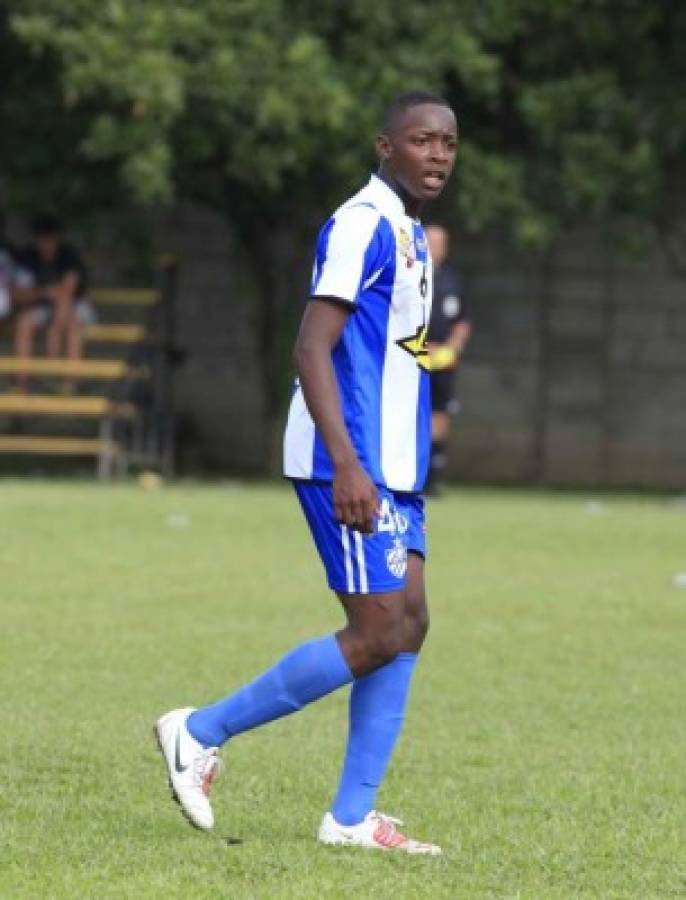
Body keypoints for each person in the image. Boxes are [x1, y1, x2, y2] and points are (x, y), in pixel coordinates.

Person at [155, 91, 458, 855]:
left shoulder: (409, 231)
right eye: (421, 140)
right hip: (347, 462)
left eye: (448, 144)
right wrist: (349, 464)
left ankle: (352, 818)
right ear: (385, 146)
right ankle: (199, 732)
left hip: (395, 466)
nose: (437, 155)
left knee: (410, 622)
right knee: (378, 629)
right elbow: (311, 346)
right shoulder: (361, 224)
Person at [13, 214, 93, 385]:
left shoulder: (69, 255)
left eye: (49, 237)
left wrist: (54, 332)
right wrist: (45, 293)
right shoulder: (27, 257)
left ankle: (71, 381)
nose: (45, 242)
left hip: (75, 304)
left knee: (73, 324)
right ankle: (22, 381)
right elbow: (19, 294)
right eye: (41, 237)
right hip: (42, 305)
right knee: (24, 323)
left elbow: (67, 293)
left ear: (57, 237)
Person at [425, 225, 471, 494]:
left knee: (440, 414)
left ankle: (432, 477)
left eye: (440, 244)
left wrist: (452, 347)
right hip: (412, 357)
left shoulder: (453, 281)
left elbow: (463, 321)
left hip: (442, 360)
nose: (435, 248)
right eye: (430, 242)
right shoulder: (408, 276)